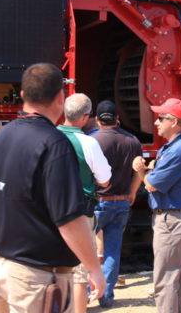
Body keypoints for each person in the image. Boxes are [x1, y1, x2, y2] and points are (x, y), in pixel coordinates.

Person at [0, 63, 105, 313]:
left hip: (0, 267)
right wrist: (94, 268)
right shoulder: (55, 144)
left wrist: (5, 240)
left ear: (23, 95)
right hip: (37, 278)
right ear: (61, 97)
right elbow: (68, 219)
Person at [132, 98, 181, 313]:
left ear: (174, 122)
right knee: (172, 275)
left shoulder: (177, 150)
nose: (156, 122)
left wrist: (140, 170)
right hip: (173, 217)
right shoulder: (175, 147)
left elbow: (152, 185)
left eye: (161, 118)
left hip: (170, 219)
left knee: (165, 279)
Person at [57, 93, 112, 313]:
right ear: (85, 117)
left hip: (49, 214)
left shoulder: (48, 136)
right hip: (79, 214)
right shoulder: (88, 143)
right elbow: (105, 179)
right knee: (79, 273)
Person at [91, 100, 143, 307]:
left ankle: (88, 293)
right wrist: (131, 192)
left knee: (89, 250)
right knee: (113, 250)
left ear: (97, 119)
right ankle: (107, 297)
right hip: (121, 202)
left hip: (97, 201)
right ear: (118, 119)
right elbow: (140, 170)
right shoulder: (133, 141)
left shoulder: (92, 140)